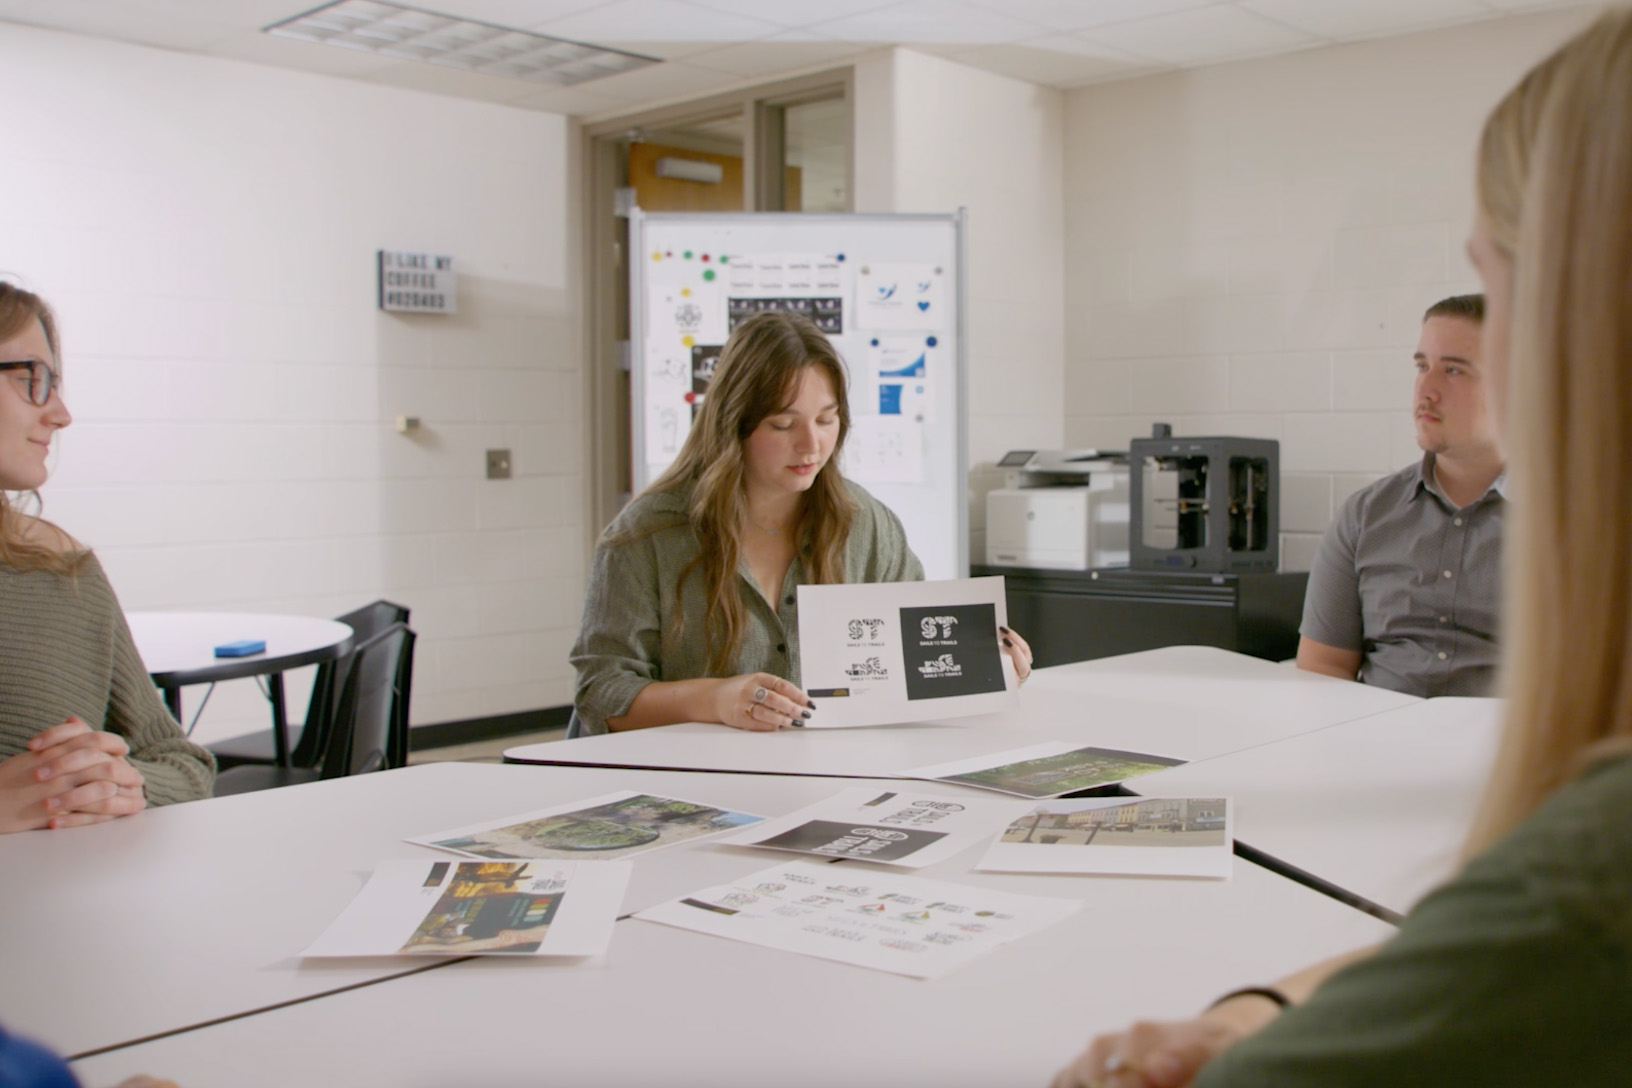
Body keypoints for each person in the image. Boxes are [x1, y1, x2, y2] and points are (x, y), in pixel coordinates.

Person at [1053, 12, 1632, 1086]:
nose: (1438, 381)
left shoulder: (1596, 865)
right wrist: (1259, 1005)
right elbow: (1477, 957)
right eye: (1425, 361)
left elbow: (1521, 946)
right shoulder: (1374, 511)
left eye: (1502, 298)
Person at [571, 311, 1032, 735]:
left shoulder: (865, 523)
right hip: (687, 792)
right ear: (735, 424)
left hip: (825, 779)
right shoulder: (648, 534)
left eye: (826, 420)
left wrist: (986, 663)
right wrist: (712, 698)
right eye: (782, 425)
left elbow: (908, 662)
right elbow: (601, 692)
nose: (811, 445)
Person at [0, 283, 214, 833]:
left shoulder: (61, 567)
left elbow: (184, 764)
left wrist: (124, 785)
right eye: (32, 380)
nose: (60, 415)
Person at [1296, 294, 1504, 697]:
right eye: (1422, 366)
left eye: (1454, 371)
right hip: (1375, 748)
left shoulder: (1578, 523)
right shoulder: (1365, 515)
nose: (1426, 389)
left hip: (1513, 754)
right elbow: (1322, 670)